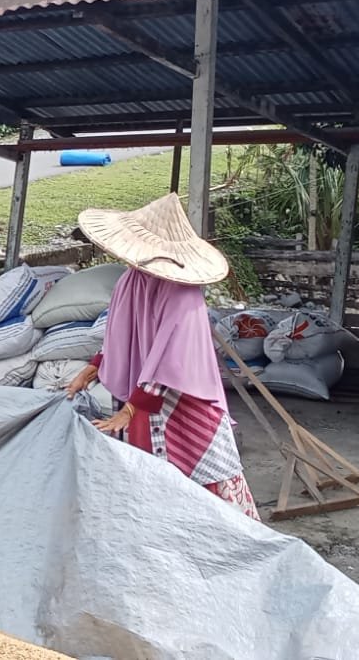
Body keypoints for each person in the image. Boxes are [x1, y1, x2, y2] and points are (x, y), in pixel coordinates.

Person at [67, 193, 260, 520]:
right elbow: (120, 337)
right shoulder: (131, 280)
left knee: (205, 472)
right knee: (145, 478)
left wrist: (131, 409)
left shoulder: (184, 294)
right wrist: (93, 368)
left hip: (183, 401)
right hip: (139, 396)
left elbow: (174, 355)